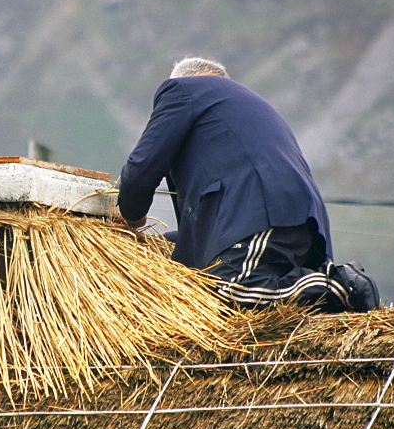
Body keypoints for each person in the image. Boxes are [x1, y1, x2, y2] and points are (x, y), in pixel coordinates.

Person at [117, 57, 379, 312]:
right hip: (293, 217)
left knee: (228, 290)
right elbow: (197, 236)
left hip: (258, 213)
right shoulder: (242, 108)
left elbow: (142, 167)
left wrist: (131, 215)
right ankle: (322, 291)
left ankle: (339, 284)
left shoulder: (184, 89)